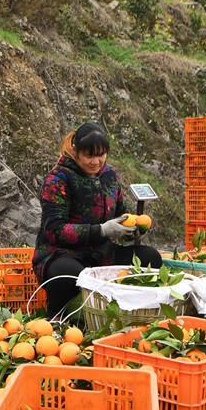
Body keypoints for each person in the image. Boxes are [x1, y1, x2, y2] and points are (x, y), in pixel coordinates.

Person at [32, 122, 162, 319]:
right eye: (89, 155)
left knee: (150, 258)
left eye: (101, 155)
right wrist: (101, 230)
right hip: (63, 255)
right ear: (76, 152)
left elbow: (120, 212)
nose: (96, 161)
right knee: (70, 275)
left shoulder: (109, 176)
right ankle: (59, 314)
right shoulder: (58, 179)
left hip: (102, 256)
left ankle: (125, 310)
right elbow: (54, 229)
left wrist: (130, 229)